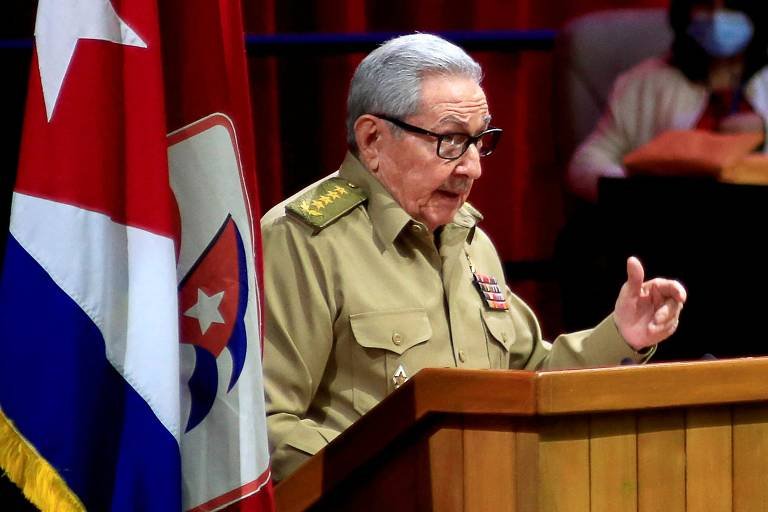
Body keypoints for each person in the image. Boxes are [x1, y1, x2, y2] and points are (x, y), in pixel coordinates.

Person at [261, 33, 687, 481]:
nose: (473, 168)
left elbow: (531, 382)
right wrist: (402, 476)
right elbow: (266, 427)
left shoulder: (469, 241)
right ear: (372, 140)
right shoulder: (302, 241)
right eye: (449, 140)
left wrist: (622, 334)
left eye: (479, 141)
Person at [568, 0, 768, 202]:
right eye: (705, 4)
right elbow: (587, 163)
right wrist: (635, 192)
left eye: (731, 7)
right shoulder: (644, 82)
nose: (717, 18)